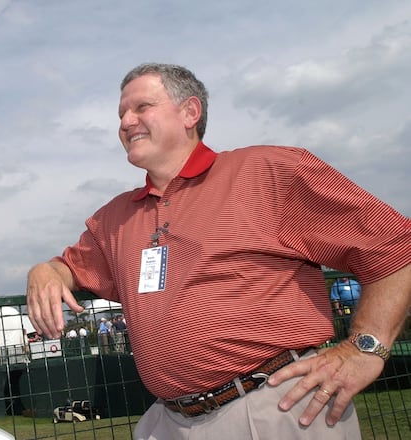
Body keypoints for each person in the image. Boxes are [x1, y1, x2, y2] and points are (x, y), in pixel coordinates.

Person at [26, 62, 411, 438]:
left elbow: (394, 244)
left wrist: (366, 347)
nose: (125, 122)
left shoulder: (266, 171)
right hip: (171, 418)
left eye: (141, 107)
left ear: (189, 112)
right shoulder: (115, 218)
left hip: (275, 409)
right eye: (122, 113)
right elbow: (68, 268)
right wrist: (45, 272)